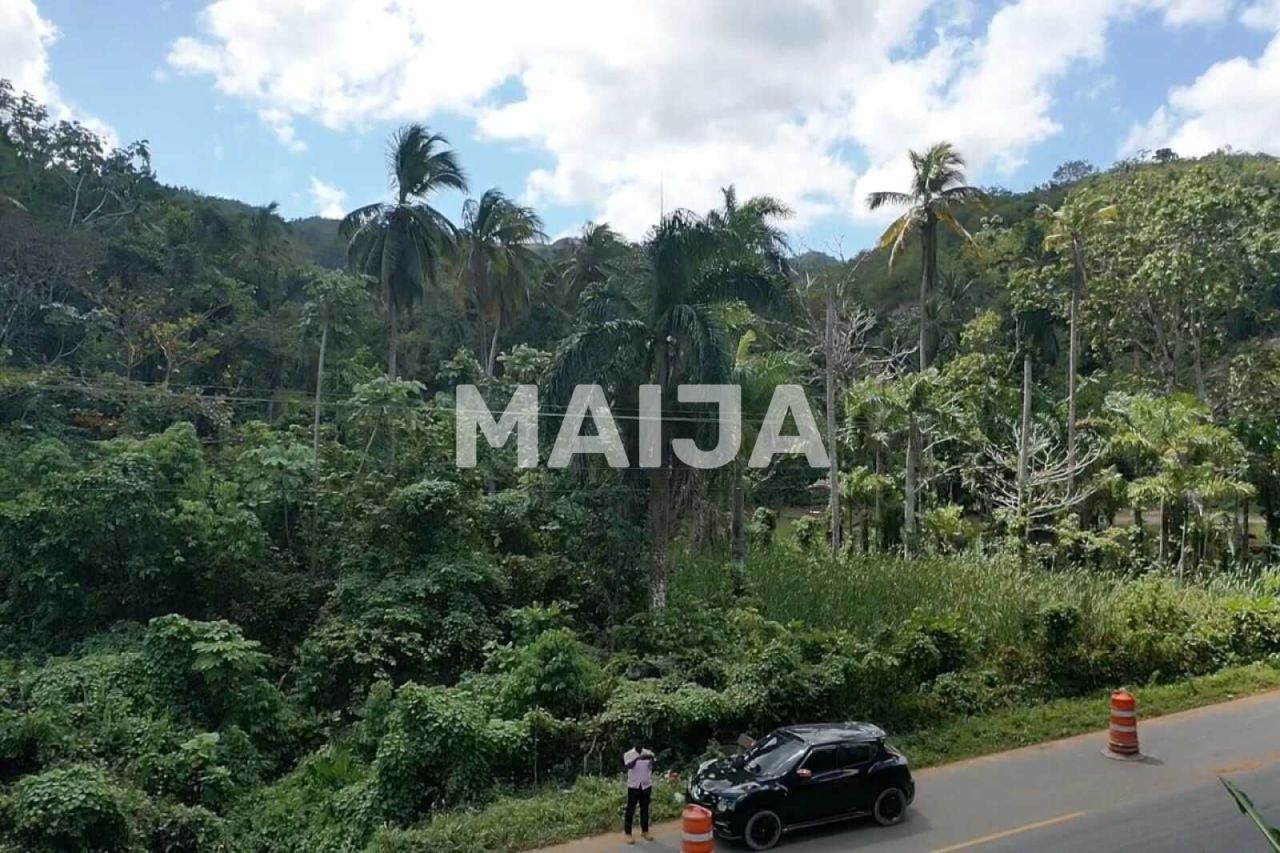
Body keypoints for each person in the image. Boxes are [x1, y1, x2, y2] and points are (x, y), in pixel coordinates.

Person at [623, 736, 656, 843]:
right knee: (630, 809)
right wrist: (638, 759)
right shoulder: (628, 754)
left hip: (646, 784)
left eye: (641, 742)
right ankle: (628, 833)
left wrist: (651, 759)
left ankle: (645, 831)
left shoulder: (648, 752)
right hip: (634, 785)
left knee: (645, 808)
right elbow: (629, 766)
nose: (639, 744)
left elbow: (652, 766)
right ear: (634, 743)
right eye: (637, 742)